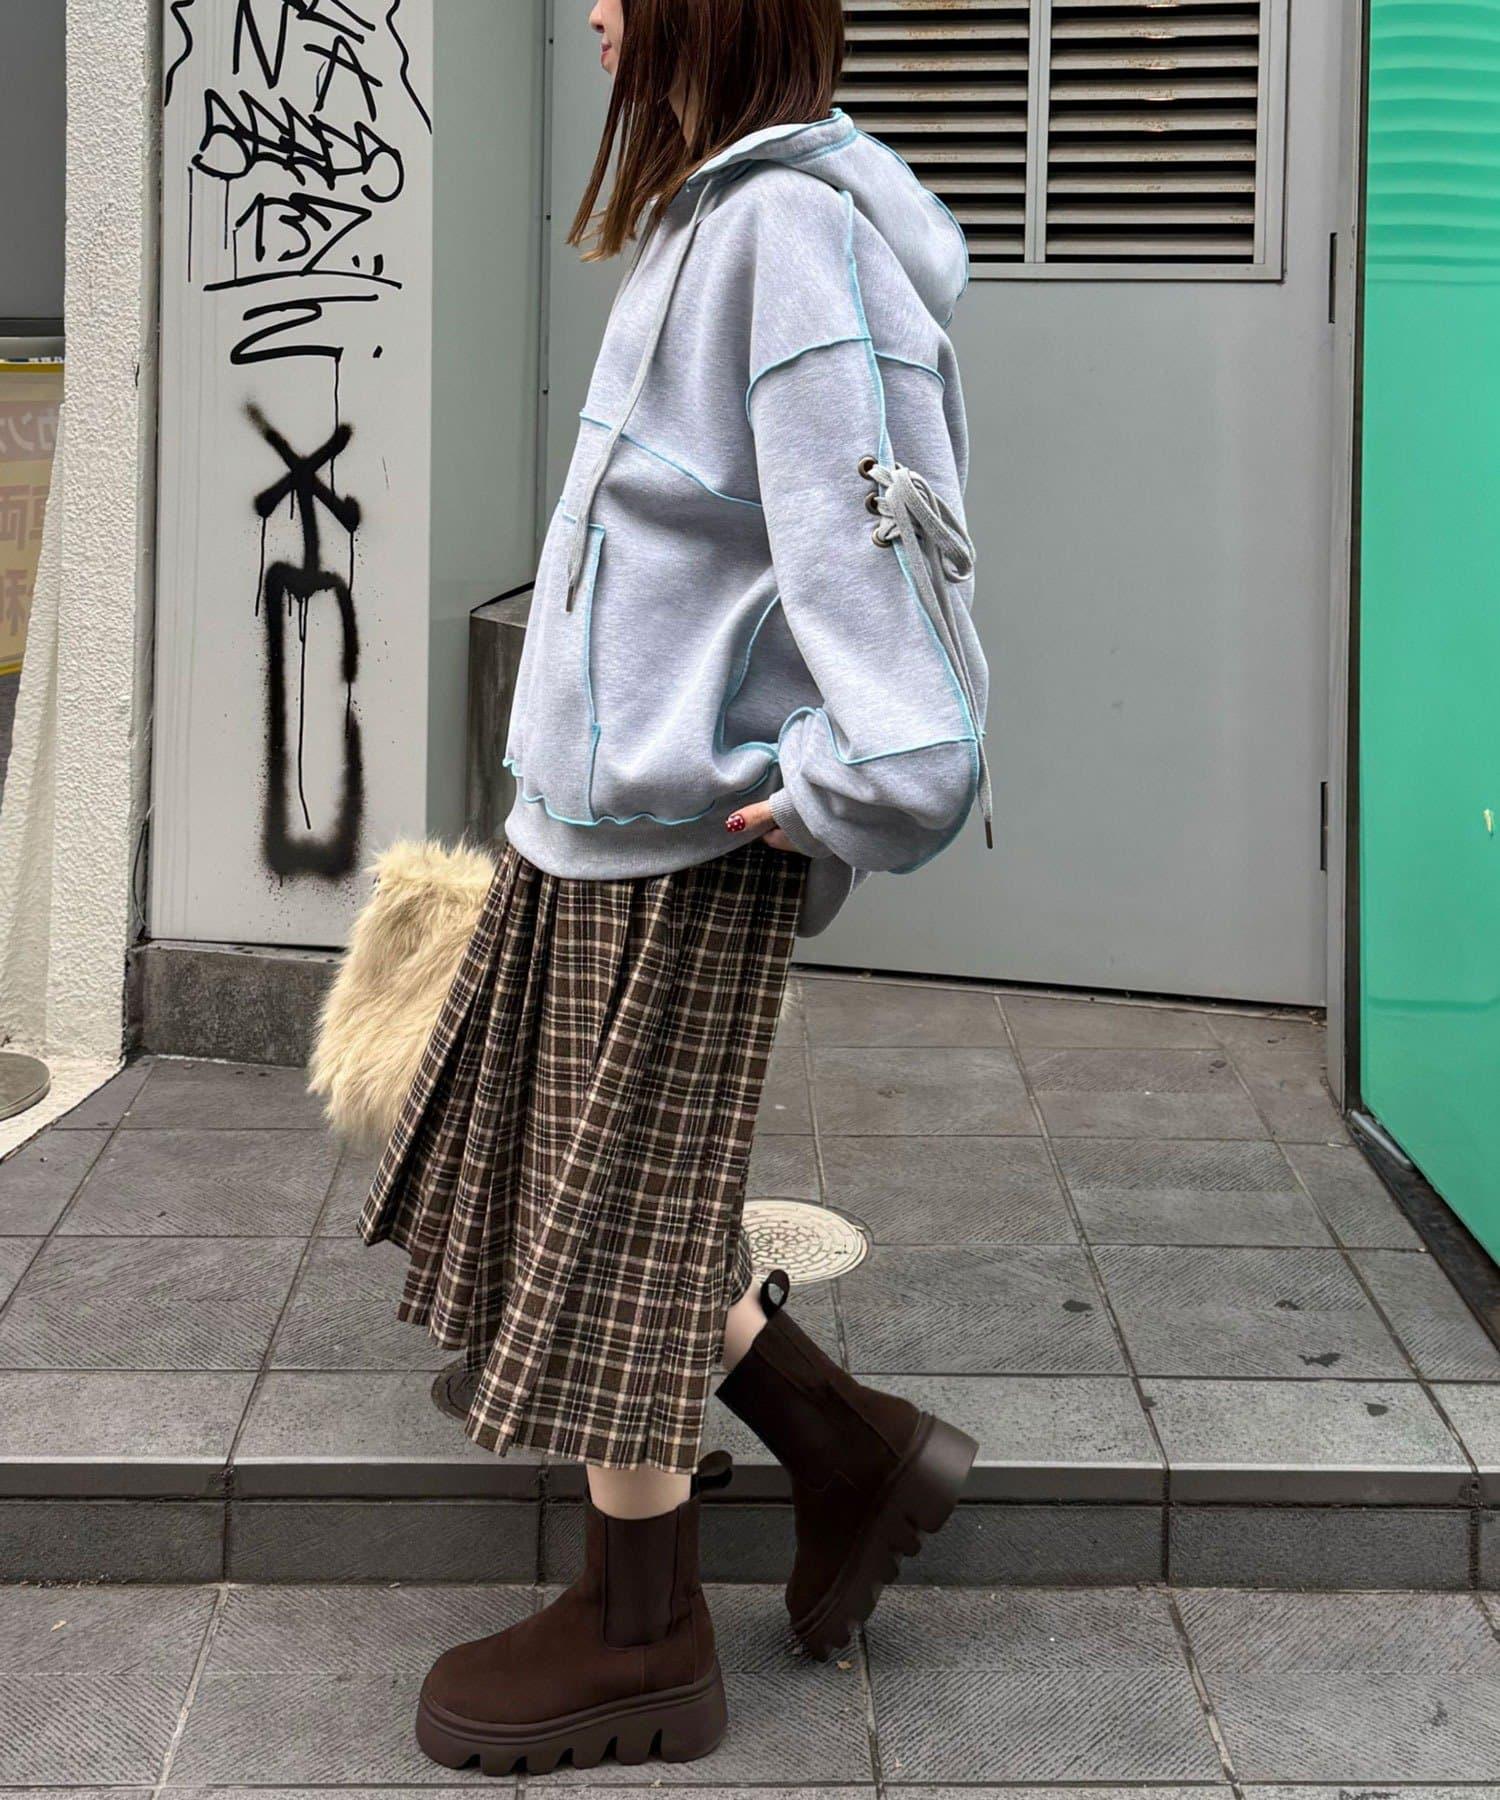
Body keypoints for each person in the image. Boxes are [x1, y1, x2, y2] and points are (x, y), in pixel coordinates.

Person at [359, 0, 991, 1774]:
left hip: (685, 836)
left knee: (617, 1230)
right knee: (605, 1204)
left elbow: (877, 545)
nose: (594, 15)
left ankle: (644, 1638)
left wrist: (864, 779)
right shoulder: (712, 217)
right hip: (598, 823)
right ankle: (851, 1449)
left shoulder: (788, 237)